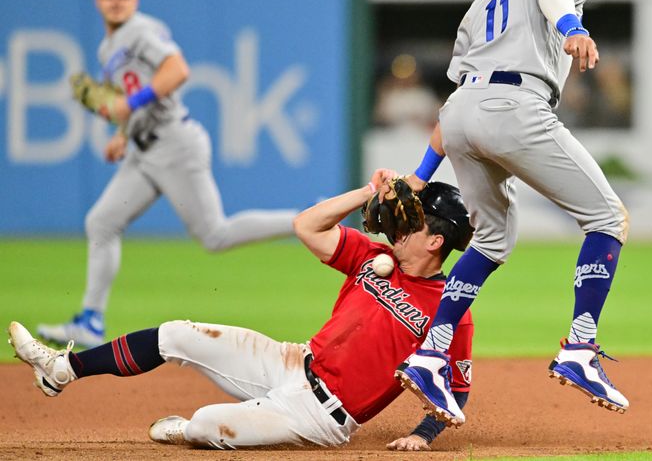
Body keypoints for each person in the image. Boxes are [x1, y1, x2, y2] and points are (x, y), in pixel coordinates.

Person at [9, 169, 474, 451]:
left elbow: (456, 387)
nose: (401, 221)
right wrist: (366, 192)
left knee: (210, 423)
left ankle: (194, 429)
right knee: (177, 333)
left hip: (320, 417)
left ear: (436, 240)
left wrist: (424, 434)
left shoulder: (452, 311)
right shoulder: (377, 257)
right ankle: (62, 368)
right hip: (292, 360)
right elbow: (306, 226)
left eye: (414, 220)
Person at [394, 0, 630, 427]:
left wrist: (419, 176)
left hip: (458, 114)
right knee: (607, 217)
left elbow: (461, 93)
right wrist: (573, 27)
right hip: (515, 107)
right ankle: (581, 347)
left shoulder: (479, 6)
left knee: (492, 241)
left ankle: (431, 356)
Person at [36, 0, 298, 349]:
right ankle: (90, 321)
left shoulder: (140, 31)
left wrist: (130, 104)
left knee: (215, 236)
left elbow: (177, 70)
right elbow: (131, 97)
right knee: (101, 222)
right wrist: (122, 135)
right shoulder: (108, 48)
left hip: (175, 144)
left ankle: (303, 219)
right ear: (97, 0)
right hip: (144, 150)